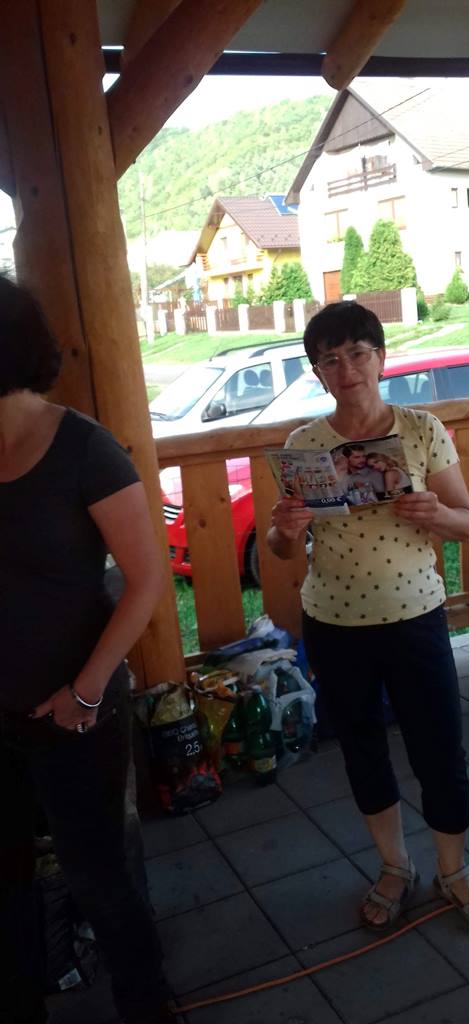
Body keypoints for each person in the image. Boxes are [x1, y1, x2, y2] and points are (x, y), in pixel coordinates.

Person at [267, 301, 469, 934]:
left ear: (380, 358)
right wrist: (285, 529)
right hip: (333, 622)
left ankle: (453, 869)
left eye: (357, 354)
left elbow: (467, 523)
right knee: (362, 748)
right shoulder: (304, 445)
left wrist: (436, 513)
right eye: (330, 360)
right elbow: (282, 548)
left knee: (439, 746)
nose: (346, 369)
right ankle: (395, 866)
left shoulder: (421, 429)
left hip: (415, 615)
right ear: (318, 373)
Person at [0, 276, 175, 1023]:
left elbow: (147, 579)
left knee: (101, 877)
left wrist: (86, 690)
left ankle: (147, 1008)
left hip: (73, 708)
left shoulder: (84, 448)